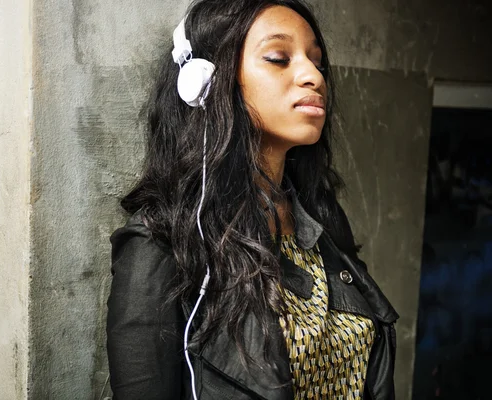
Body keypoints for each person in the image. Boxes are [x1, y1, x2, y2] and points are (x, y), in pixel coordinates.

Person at [106, 0, 399, 399]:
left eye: (318, 63)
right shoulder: (162, 242)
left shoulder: (321, 218)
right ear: (207, 80)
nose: (313, 76)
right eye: (279, 57)